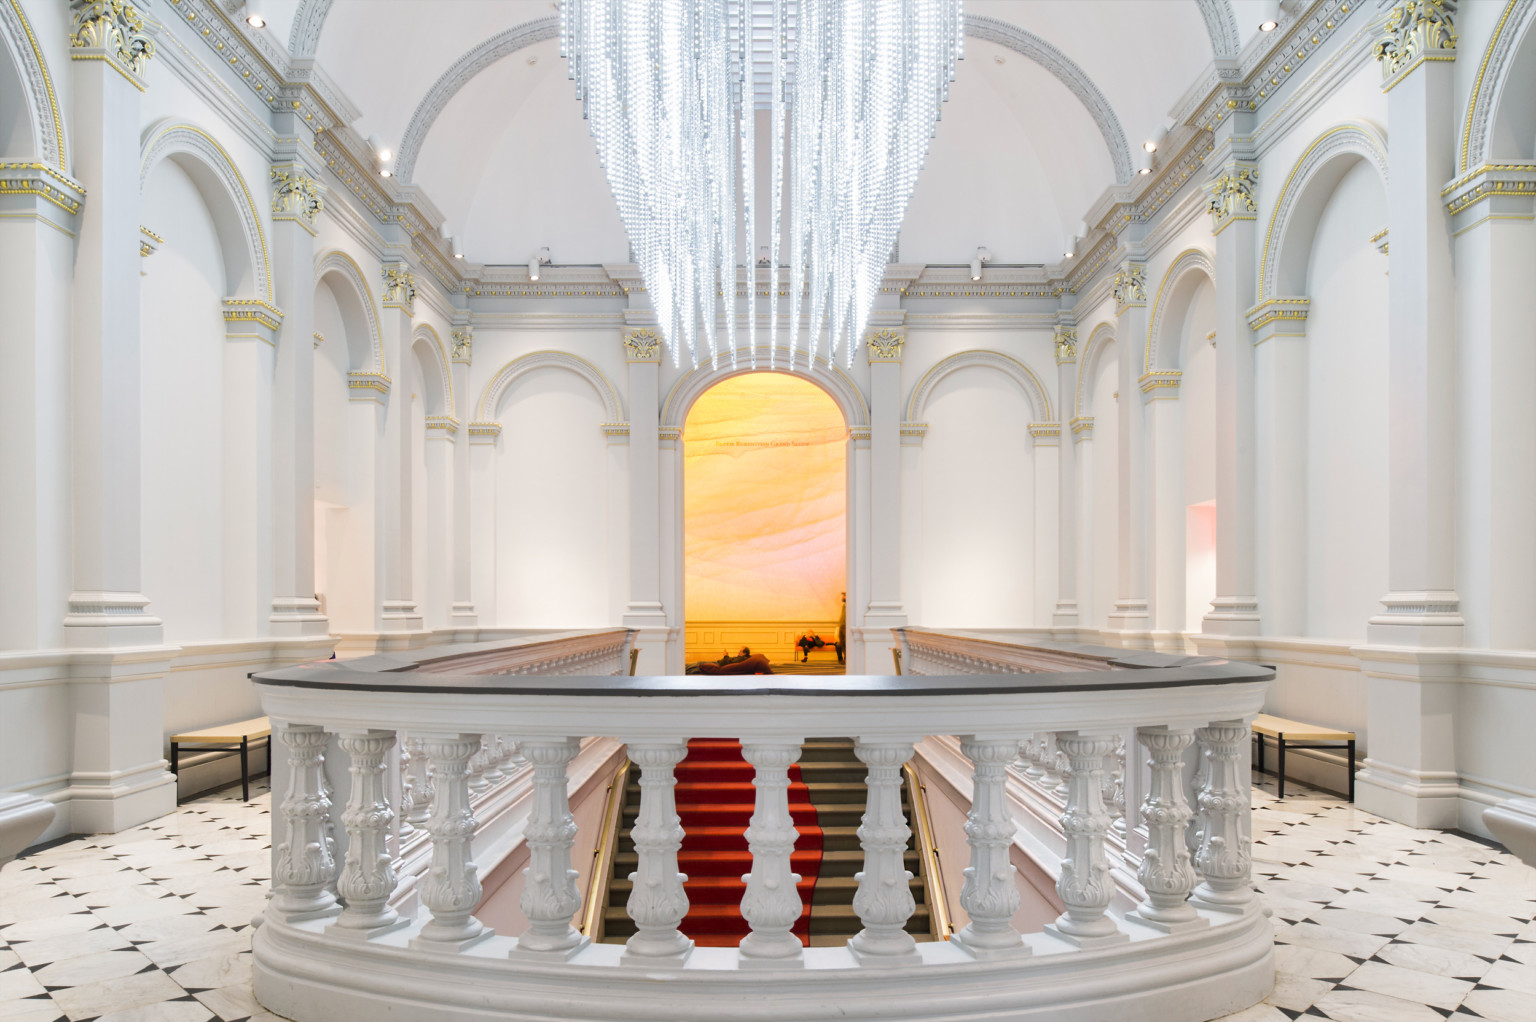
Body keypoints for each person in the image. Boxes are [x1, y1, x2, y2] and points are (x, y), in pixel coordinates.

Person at [685, 646, 774, 675]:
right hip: (719, 663)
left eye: (740, 651)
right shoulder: (744, 658)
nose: (738, 652)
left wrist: (725, 656)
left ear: (744, 653)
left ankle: (683, 670)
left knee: (699, 664)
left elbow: (729, 662)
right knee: (698, 663)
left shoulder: (742, 658)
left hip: (719, 664)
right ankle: (684, 668)